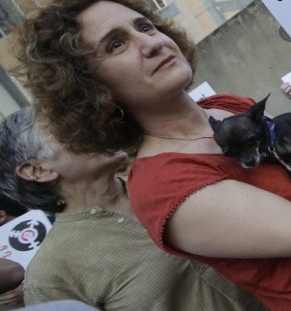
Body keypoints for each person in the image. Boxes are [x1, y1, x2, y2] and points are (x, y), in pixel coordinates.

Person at [11, 0, 291, 310]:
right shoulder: (161, 183)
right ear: (89, 88)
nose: (151, 42)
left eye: (145, 26)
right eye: (116, 44)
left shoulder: (225, 108)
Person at [0, 108, 265, 311]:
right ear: (37, 170)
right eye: (65, 128)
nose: (90, 125)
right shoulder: (52, 277)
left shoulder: (171, 175)